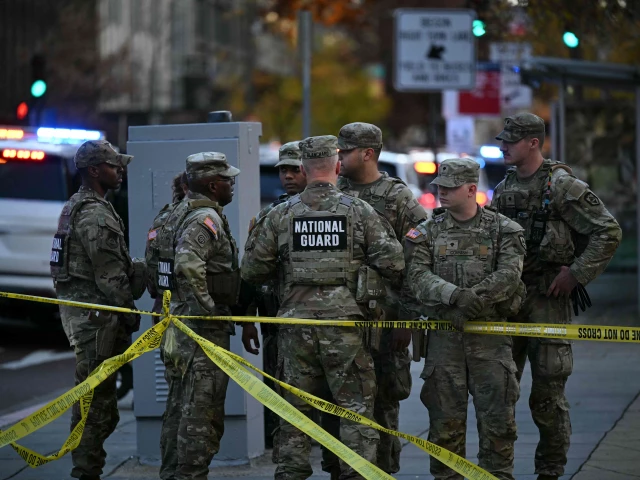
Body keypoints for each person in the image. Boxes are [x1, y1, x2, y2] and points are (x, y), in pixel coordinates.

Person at [241, 135, 405, 480]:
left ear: (302, 169)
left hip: (295, 329)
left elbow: (253, 270)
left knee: (294, 414)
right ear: (338, 166)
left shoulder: (281, 214)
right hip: (346, 328)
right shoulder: (359, 211)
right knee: (354, 411)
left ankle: (291, 472)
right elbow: (393, 261)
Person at [491, 113, 622, 480]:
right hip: (510, 298)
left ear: (534, 143)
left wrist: (576, 274)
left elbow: (608, 232)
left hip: (548, 298)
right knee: (500, 390)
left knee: (547, 395)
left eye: (511, 140)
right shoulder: (505, 187)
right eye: (503, 139)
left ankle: (550, 470)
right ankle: (499, 469)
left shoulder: (563, 186)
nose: (503, 145)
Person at [404, 158, 526, 480]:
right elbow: (416, 276)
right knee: (445, 432)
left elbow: (510, 276)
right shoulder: (426, 233)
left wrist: (473, 300)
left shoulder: (504, 230)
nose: (441, 192)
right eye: (439, 187)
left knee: (498, 429)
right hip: (444, 346)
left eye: (449, 187)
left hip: (492, 343)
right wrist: (455, 296)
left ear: (472, 189)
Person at [157, 152, 258, 480]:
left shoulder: (175, 214)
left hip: (180, 327)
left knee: (178, 409)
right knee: (200, 415)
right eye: (228, 179)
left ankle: (173, 473)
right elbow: (187, 264)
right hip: (199, 333)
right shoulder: (204, 219)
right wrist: (208, 310)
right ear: (214, 185)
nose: (232, 184)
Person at [50, 139, 146, 480]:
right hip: (97, 320)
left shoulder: (75, 206)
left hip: (87, 317)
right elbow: (110, 277)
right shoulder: (94, 214)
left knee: (97, 401)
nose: (120, 170)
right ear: (93, 170)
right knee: (96, 406)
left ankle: (86, 467)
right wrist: (131, 311)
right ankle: (85, 471)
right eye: (112, 165)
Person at [337, 122, 426, 474]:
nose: (339, 157)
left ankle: (385, 470)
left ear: (368, 153)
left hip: (385, 321)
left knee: (385, 402)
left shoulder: (397, 197)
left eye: (346, 151)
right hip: (342, 320)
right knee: (343, 405)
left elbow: (419, 258)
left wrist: (407, 315)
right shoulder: (334, 191)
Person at [244, 141, 309, 459]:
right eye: (282, 170)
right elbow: (253, 271)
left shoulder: (333, 211)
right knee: (277, 384)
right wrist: (248, 319)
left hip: (320, 318)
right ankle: (280, 443)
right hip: (278, 319)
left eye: (294, 169)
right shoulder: (270, 214)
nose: (287, 176)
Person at [145, 171, 189, 316]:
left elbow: (150, 262)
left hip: (162, 304)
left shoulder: (161, 219)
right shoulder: (195, 217)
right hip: (189, 310)